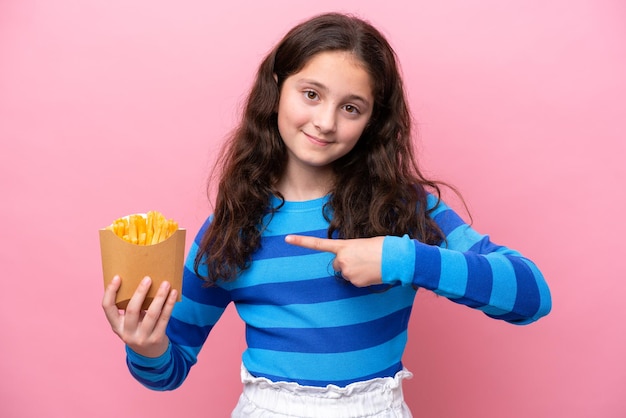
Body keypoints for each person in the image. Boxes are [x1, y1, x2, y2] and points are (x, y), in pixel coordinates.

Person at [102, 12, 552, 418]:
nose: (326, 122)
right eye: (311, 94)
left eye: (351, 107)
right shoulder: (232, 226)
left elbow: (532, 294)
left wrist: (400, 258)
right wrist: (147, 347)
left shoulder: (403, 210)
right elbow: (168, 371)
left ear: (373, 121)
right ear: (277, 87)